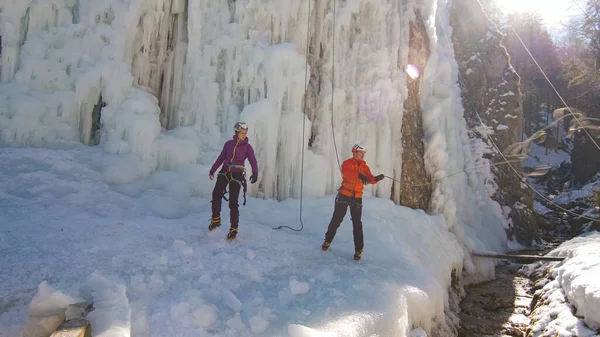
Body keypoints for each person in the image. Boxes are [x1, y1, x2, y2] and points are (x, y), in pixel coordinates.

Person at [322, 144, 384, 261]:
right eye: (361, 153)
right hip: (344, 195)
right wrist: (359, 175)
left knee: (357, 224)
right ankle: (327, 240)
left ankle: (358, 250)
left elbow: (369, 178)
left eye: (363, 153)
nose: (362, 155)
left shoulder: (365, 167)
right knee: (337, 219)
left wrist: (376, 179)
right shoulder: (347, 163)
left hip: (357, 197)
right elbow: (347, 174)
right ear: (354, 152)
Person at [208, 122, 258, 240]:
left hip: (237, 174)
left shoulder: (247, 147)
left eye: (245, 133)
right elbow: (221, 158)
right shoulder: (228, 144)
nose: (243, 135)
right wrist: (212, 170)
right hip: (225, 171)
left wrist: (255, 172)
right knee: (216, 194)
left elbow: (253, 160)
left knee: (233, 202)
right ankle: (216, 220)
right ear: (236, 132)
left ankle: (234, 228)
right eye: (241, 133)